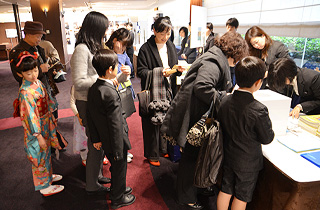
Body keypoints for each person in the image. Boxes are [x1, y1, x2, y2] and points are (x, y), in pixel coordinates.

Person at [161, 31, 249, 209]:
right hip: (195, 115)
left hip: (196, 113)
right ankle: (185, 196)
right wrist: (226, 97)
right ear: (234, 53)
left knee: (195, 155)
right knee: (192, 157)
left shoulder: (214, 56)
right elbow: (202, 87)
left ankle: (195, 188)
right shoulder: (215, 62)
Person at [217, 56, 274, 210]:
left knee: (225, 189)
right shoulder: (259, 109)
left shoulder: (224, 100)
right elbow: (267, 138)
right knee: (241, 196)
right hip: (248, 163)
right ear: (258, 83)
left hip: (228, 155)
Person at [87, 49, 135, 209]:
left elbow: (90, 115)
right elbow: (115, 124)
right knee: (119, 166)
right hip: (115, 140)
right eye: (117, 65)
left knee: (117, 167)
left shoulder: (95, 88)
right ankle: (118, 197)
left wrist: (95, 138)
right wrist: (117, 148)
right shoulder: (109, 93)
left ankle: (118, 188)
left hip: (104, 137)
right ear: (110, 69)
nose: (119, 67)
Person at [71, 11, 111, 195]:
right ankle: (92, 183)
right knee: (96, 142)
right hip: (86, 102)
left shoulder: (93, 46)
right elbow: (79, 82)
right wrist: (103, 80)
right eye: (104, 28)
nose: (106, 31)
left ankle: (95, 177)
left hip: (95, 100)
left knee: (100, 141)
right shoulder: (81, 49)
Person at [14, 51, 64, 196]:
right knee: (38, 153)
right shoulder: (26, 92)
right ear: (20, 74)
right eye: (28, 73)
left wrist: (51, 116)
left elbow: (47, 100)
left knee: (46, 151)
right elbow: (30, 117)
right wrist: (38, 135)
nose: (33, 75)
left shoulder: (38, 83)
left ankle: (48, 176)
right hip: (35, 128)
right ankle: (43, 185)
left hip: (45, 120)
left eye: (35, 70)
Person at [137, 16, 183, 167]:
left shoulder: (170, 45)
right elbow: (141, 72)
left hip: (169, 89)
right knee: (152, 122)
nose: (165, 37)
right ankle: (152, 154)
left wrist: (177, 70)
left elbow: (173, 66)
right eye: (162, 33)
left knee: (167, 120)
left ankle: (164, 148)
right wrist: (159, 72)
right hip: (153, 91)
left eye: (168, 34)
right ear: (154, 30)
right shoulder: (145, 48)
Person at [105, 28, 135, 163]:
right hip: (111, 92)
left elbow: (131, 68)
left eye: (125, 46)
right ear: (115, 40)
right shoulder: (106, 53)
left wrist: (129, 69)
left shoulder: (124, 55)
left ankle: (123, 150)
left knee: (123, 124)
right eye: (121, 44)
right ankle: (117, 151)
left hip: (123, 91)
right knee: (114, 125)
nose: (123, 48)